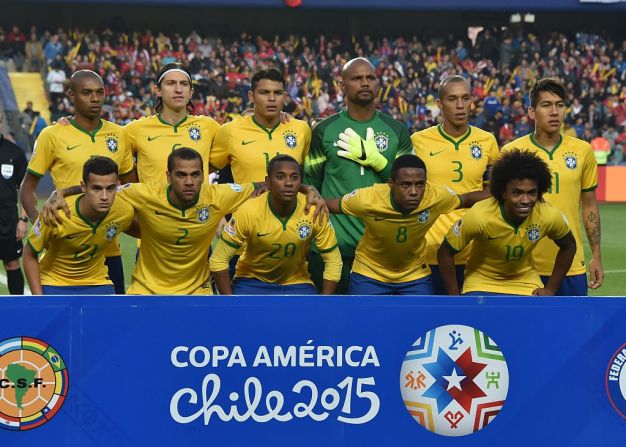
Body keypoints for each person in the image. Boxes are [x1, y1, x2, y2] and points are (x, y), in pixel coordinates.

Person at [44, 148, 325, 295]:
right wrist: (61, 193)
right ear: (168, 176)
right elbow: (100, 186)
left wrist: (307, 189)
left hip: (197, 292)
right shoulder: (145, 193)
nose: (189, 181)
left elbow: (268, 184)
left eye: (194, 174)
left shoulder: (218, 195)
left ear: (204, 175)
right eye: (181, 175)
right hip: (147, 291)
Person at [19, 70, 136, 294]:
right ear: (71, 95)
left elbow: (131, 189)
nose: (95, 98)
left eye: (99, 92)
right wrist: (41, 225)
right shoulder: (52, 134)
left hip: (108, 247)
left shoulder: (119, 135)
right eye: (87, 93)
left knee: (111, 324)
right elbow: (27, 187)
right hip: (63, 246)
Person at [303, 57, 414, 294]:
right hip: (331, 247)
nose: (365, 83)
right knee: (327, 325)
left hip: (381, 252)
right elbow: (310, 186)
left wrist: (379, 162)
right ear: (342, 85)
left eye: (370, 78)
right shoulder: (324, 130)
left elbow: (410, 191)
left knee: (373, 328)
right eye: (357, 78)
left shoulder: (397, 131)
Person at [325, 154, 487, 295]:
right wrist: (307, 191)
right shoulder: (367, 199)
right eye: (405, 184)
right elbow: (329, 205)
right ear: (391, 184)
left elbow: (467, 199)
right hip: (369, 273)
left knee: (422, 328)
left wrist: (504, 195)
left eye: (420, 184)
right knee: (362, 327)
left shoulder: (436, 196)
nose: (414, 191)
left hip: (414, 275)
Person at [502, 78, 603, 295]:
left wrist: (596, 255)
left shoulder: (582, 151)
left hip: (571, 264)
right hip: (523, 266)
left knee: (573, 328)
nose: (554, 111)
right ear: (531, 112)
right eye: (546, 105)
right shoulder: (512, 151)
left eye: (559, 105)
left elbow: (589, 206)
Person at [437, 149, 576, 296]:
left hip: (525, 281)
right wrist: (455, 298)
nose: (525, 200)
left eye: (532, 193)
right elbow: (445, 252)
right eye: (517, 193)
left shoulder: (548, 215)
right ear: (503, 192)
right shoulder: (480, 216)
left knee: (539, 317)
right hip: (482, 282)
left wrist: (551, 289)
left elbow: (569, 246)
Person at [411, 75, 499, 294]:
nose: (460, 106)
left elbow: (495, 193)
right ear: (440, 104)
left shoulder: (487, 141)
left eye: (465, 98)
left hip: (474, 253)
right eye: (452, 99)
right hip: (428, 252)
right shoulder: (419, 141)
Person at [211, 155, 341, 295]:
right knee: (241, 316)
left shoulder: (314, 211)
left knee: (313, 316)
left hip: (297, 282)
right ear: (268, 181)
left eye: (294, 177)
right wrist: (230, 303)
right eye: (280, 177)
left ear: (301, 182)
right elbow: (218, 260)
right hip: (251, 281)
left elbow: (333, 261)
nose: (288, 183)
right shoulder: (249, 210)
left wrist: (325, 303)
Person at [23, 157, 135, 295]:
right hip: (55, 281)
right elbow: (29, 254)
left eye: (110, 188)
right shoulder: (56, 213)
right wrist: (39, 299)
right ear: (83, 187)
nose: (105, 196)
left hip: (97, 282)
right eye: (97, 188)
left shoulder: (124, 212)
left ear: (118, 186)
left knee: (111, 315)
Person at [210, 67, 311, 183]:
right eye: (264, 93)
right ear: (251, 96)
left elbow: (310, 175)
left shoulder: (301, 129)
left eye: (278, 93)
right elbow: (200, 171)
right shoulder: (230, 131)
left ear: (284, 96)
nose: (272, 98)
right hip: (246, 201)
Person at [125, 62, 220, 182]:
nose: (178, 90)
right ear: (158, 90)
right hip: (152, 202)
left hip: (198, 201)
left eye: (184, 84)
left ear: (191, 92)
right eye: (171, 83)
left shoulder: (209, 127)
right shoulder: (135, 129)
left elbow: (221, 160)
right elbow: (122, 168)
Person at [0, 112, 28, 294]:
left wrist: (23, 219)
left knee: (12, 263)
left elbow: (26, 189)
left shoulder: (14, 152)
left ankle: (18, 309)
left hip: (8, 218)